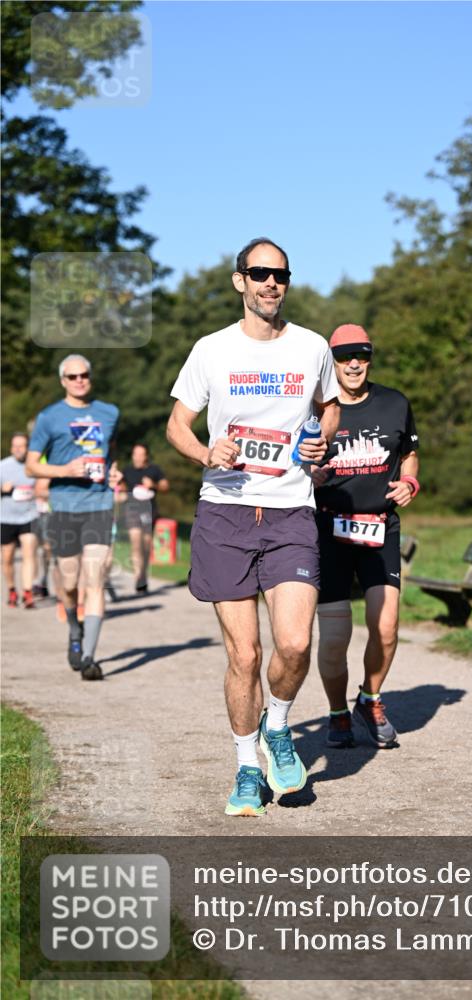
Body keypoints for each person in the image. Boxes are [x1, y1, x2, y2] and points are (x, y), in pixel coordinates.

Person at [167, 237, 339, 816]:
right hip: (226, 512)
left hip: (291, 510)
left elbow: (330, 404)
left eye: (281, 275)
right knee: (244, 656)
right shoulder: (211, 350)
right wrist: (205, 454)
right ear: (239, 280)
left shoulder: (312, 347)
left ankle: (279, 727)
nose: (272, 283)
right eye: (260, 273)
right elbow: (176, 426)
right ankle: (246, 769)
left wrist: (322, 440)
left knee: (294, 643)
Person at [312, 324, 420, 749]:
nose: (354, 363)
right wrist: (310, 474)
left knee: (387, 628)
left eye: (362, 354)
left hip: (380, 527)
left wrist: (410, 484)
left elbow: (409, 454)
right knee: (335, 638)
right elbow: (293, 460)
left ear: (370, 357)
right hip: (328, 530)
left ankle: (370, 699)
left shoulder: (394, 403)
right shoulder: (316, 408)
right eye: (343, 356)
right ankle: (338, 713)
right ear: (331, 361)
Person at [26, 354, 120, 680]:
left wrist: (115, 472)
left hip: (99, 504)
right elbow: (31, 464)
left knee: (94, 579)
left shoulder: (109, 413)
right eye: (72, 376)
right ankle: (73, 624)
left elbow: (112, 454)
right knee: (68, 583)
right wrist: (64, 470)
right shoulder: (49, 417)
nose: (79, 380)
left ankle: (90, 658)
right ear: (63, 381)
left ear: (90, 377)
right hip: (64, 506)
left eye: (84, 375)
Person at [118, 444, 170, 593]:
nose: (138, 457)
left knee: (146, 546)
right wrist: (120, 491)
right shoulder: (127, 470)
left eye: (141, 455)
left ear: (146, 456)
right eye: (135, 454)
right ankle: (138, 578)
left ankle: (144, 575)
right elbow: (120, 487)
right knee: (135, 543)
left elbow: (165, 486)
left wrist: (153, 484)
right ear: (132, 455)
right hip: (132, 511)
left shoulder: (154, 470)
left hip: (149, 511)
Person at [1, 432, 39, 608]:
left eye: (22, 446)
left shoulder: (33, 467)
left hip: (29, 516)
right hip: (6, 518)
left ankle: (28, 592)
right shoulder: (3, 466)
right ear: (11, 448)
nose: (18, 449)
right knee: (7, 558)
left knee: (29, 553)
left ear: (27, 448)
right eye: (15, 446)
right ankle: (12, 590)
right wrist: (2, 489)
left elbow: (42, 487)